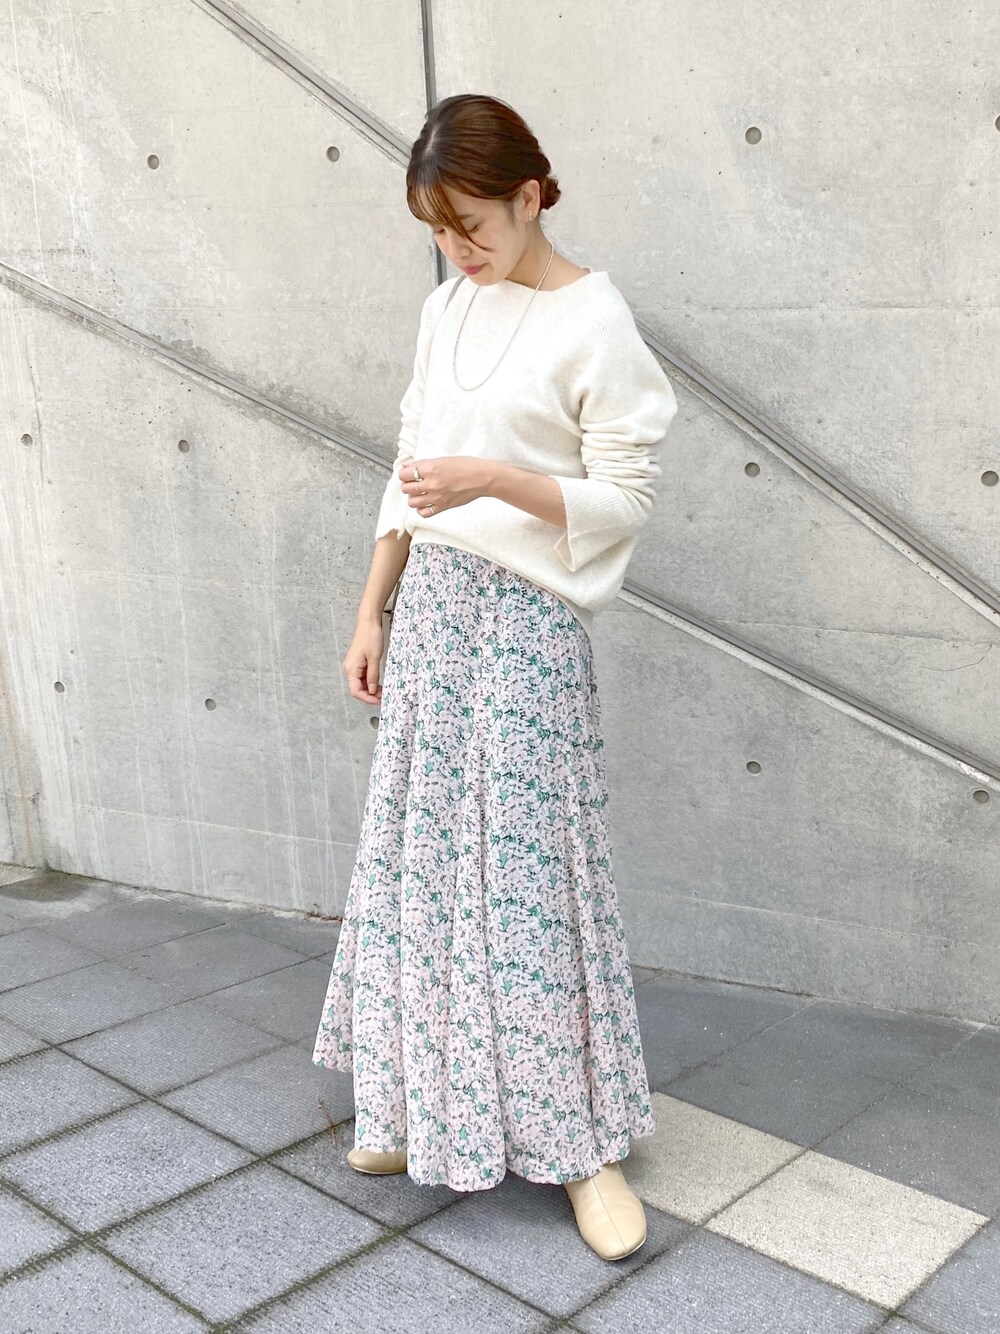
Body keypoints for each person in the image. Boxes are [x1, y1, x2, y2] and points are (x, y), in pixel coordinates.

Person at [312, 92, 678, 1262]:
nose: (456, 249)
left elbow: (624, 496)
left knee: (528, 879)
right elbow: (408, 462)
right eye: (438, 230)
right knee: (423, 864)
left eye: (470, 224)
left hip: (527, 621)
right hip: (432, 611)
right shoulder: (448, 307)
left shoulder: (594, 319)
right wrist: (371, 608)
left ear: (529, 195)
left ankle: (581, 1149)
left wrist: (491, 478)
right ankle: (425, 1105)